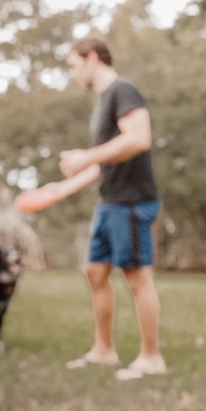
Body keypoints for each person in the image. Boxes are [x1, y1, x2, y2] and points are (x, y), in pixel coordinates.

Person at [60, 36, 166, 380]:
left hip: (132, 202)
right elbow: (103, 164)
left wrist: (86, 155)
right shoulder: (103, 101)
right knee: (95, 272)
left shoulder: (123, 90)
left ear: (91, 58)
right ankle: (103, 351)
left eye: (74, 65)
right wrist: (61, 187)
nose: (73, 73)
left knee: (137, 278)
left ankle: (151, 358)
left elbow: (139, 138)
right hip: (109, 204)